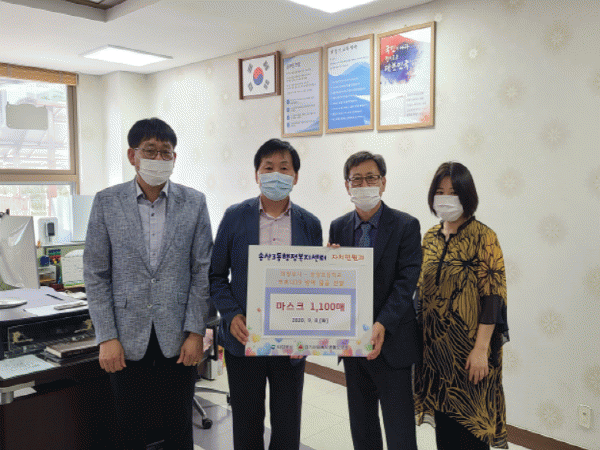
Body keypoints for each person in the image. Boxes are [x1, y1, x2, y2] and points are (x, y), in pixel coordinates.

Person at [83, 117, 213, 450]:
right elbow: (96, 274)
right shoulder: (107, 202)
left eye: (165, 152)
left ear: (174, 157)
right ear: (133, 155)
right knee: (130, 427)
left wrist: (195, 331)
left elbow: (202, 270)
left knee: (179, 426)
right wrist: (107, 336)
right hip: (125, 336)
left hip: (179, 335)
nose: (158, 158)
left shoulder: (194, 202)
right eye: (150, 150)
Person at [209, 138, 322, 450]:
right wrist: (231, 314)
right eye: (268, 168)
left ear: (295, 176)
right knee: (246, 424)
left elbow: (314, 283)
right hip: (244, 340)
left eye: (284, 168)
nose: (276, 175)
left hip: (290, 343)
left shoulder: (310, 225)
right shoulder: (235, 217)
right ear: (256, 174)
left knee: (287, 426)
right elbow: (216, 276)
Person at [328, 151, 421, 450]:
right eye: (357, 179)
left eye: (371, 178)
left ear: (383, 182)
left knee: (400, 430)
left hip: (393, 341)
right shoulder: (338, 226)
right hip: (353, 344)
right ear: (347, 185)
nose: (364, 185)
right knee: (363, 426)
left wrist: (381, 324)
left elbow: (406, 283)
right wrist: (328, 265)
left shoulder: (406, 225)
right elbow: (337, 283)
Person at [414, 161, 509, 449]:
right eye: (440, 191)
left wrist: (481, 349)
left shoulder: (484, 237)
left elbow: (493, 297)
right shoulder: (430, 237)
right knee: (445, 432)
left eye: (453, 192)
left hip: (470, 354)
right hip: (436, 355)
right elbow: (419, 291)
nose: (445, 198)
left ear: (467, 195)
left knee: (471, 430)